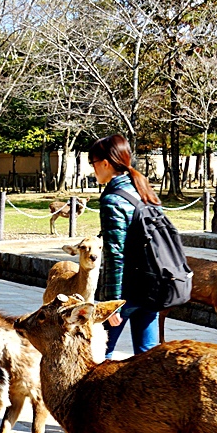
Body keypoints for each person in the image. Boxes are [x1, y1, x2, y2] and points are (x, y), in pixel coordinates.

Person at [89, 133, 162, 358]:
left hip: (126, 291)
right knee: (147, 360)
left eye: (93, 163)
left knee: (100, 356)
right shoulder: (142, 190)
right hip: (152, 286)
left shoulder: (112, 199)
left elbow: (115, 254)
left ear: (105, 163)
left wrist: (112, 302)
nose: (93, 170)